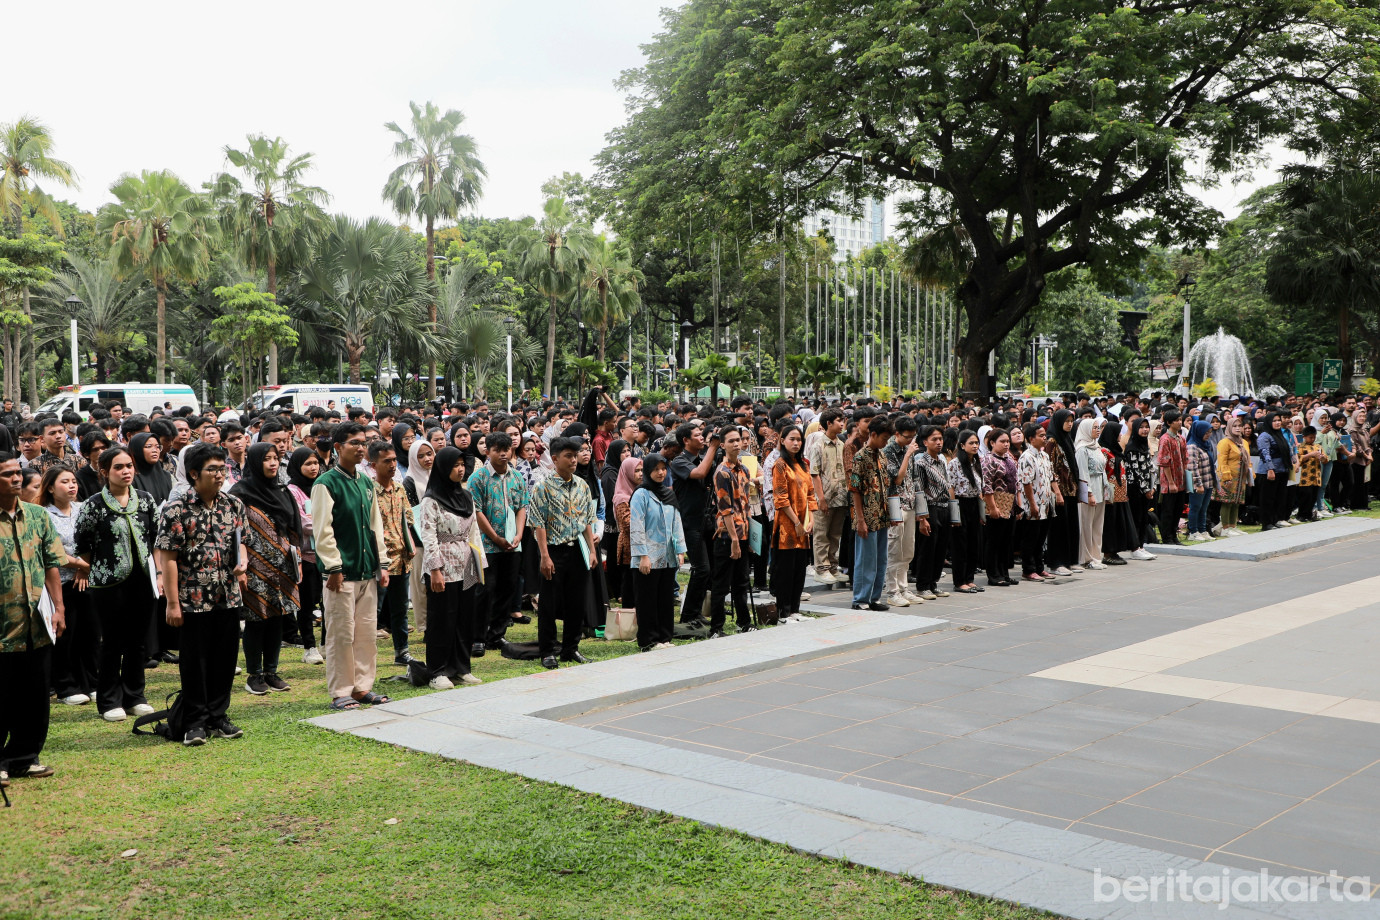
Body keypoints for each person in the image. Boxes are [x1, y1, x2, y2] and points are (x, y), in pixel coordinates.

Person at [155, 443, 249, 746]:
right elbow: (167, 556)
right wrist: (172, 603)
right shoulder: (177, 508)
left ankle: (218, 716)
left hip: (227, 596)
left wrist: (243, 561)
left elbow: (241, 541)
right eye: (213, 469)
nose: (220, 475)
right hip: (191, 599)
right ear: (194, 473)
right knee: (195, 662)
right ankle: (194, 722)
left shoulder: (233, 505)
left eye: (223, 469)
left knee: (225, 659)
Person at [74, 447, 159, 723]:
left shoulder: (145, 500)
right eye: (119, 467)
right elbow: (83, 544)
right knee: (112, 642)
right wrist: (86, 572)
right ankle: (109, 699)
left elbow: (157, 539)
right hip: (107, 583)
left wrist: (157, 575)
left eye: (129, 466)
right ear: (104, 472)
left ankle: (135, 695)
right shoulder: (94, 505)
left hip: (143, 581)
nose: (126, 471)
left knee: (138, 641)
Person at [311, 422, 392, 711]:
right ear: (337, 448)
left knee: (366, 633)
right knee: (341, 634)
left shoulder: (366, 481)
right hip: (340, 574)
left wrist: (382, 563)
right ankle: (341, 690)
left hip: (367, 570)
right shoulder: (325, 483)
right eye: (353, 443)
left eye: (363, 443)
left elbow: (375, 526)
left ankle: (362, 687)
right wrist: (333, 567)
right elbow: (322, 530)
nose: (360, 448)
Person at [0, 452, 67, 783]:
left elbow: (52, 562)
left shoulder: (39, 516)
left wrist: (59, 607)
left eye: (17, 473)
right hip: (3, 626)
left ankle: (24, 755)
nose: (15, 479)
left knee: (35, 693)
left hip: (37, 623)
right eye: (7, 474)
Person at [229, 443, 302, 695]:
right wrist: (240, 566)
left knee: (277, 617)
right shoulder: (240, 493)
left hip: (282, 565)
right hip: (254, 566)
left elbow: (294, 529)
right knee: (256, 620)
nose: (272, 463)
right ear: (255, 462)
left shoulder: (282, 491)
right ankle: (254, 675)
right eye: (266, 459)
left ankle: (271, 671)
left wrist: (296, 559)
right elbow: (235, 533)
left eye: (276, 458)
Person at [528, 436, 598, 669]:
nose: (574, 460)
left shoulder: (582, 485)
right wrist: (545, 556)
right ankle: (547, 651)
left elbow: (587, 519)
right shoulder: (543, 487)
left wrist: (592, 550)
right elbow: (538, 524)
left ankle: (571, 648)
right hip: (554, 551)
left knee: (576, 602)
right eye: (568, 456)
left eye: (575, 455)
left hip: (578, 549)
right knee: (549, 604)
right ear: (555, 459)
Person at [419, 447, 485, 689]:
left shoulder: (466, 497)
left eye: (462, 464)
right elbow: (428, 536)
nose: (460, 469)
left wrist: (479, 567)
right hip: (443, 566)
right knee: (441, 619)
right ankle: (437, 671)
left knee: (464, 618)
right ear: (443, 468)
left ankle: (461, 667)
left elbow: (475, 533)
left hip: (466, 563)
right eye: (455, 465)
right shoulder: (431, 499)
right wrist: (435, 569)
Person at [467, 432, 529, 652]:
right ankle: (477, 637)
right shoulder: (478, 478)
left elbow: (521, 506)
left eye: (507, 449)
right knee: (484, 590)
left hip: (513, 544)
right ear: (488, 451)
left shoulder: (516, 478)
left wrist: (519, 535)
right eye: (497, 450)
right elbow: (477, 511)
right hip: (487, 544)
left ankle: (497, 635)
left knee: (507, 588)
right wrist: (495, 537)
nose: (503, 454)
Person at [41, 468, 95, 705]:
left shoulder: (84, 509)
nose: (72, 485)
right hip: (61, 581)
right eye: (65, 482)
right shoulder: (44, 515)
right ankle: (66, 685)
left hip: (88, 579)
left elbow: (96, 540)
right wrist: (80, 565)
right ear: (51, 488)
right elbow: (53, 551)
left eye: (74, 481)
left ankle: (91, 682)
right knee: (66, 635)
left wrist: (85, 568)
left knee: (90, 633)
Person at [630, 453, 685, 651]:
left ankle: (665, 637)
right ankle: (648, 640)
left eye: (663, 468)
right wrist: (642, 555)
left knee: (665, 598)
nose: (661, 472)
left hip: (668, 556)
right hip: (648, 558)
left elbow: (677, 523)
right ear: (648, 471)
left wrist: (680, 550)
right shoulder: (640, 494)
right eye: (656, 469)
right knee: (647, 599)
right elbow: (636, 526)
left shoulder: (669, 493)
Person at [370, 440, 416, 664]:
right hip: (379, 560)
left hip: (402, 557)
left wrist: (410, 543)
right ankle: (365, 653)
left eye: (394, 460)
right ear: (373, 465)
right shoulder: (368, 491)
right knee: (372, 612)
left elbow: (408, 518)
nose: (392, 465)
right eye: (386, 461)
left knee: (400, 610)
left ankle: (402, 651)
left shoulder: (399, 488)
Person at [671, 423, 719, 624]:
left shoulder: (703, 459)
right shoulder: (679, 461)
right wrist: (713, 448)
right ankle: (687, 616)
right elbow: (698, 473)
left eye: (703, 435)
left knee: (709, 570)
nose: (702, 438)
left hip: (707, 519)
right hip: (689, 522)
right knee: (701, 569)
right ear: (685, 440)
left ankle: (695, 612)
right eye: (698, 435)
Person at [710, 426, 755, 634]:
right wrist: (735, 540)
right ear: (722, 445)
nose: (737, 444)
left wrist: (749, 537)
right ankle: (716, 628)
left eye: (738, 440)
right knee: (721, 583)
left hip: (743, 531)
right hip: (727, 535)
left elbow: (746, 505)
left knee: (741, 581)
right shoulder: (722, 472)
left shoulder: (744, 470)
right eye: (731, 441)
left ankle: (744, 623)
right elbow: (725, 509)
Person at [771, 425, 817, 621]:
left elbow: (810, 494)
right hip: (786, 528)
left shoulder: (803, 465)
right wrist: (797, 522)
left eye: (799, 439)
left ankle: (795, 610)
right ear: (782, 440)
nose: (796, 443)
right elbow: (780, 499)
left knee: (799, 570)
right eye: (792, 439)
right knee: (786, 571)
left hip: (803, 526)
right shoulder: (780, 465)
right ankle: (784, 612)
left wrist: (811, 520)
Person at [849, 416, 894, 610]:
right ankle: (860, 599)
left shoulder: (882, 455)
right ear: (873, 435)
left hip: (882, 516)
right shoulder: (860, 456)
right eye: (884, 438)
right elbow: (855, 490)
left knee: (881, 559)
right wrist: (860, 520)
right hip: (866, 516)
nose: (886, 442)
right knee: (866, 560)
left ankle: (874, 597)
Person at [881, 417, 927, 606]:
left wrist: (922, 513)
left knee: (908, 550)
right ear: (897, 434)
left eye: (913, 437)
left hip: (910, 504)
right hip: (895, 505)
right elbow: (897, 480)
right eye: (907, 437)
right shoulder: (888, 452)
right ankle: (892, 591)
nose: (911, 441)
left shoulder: (909, 450)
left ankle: (904, 588)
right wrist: (908, 455)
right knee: (894, 550)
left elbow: (916, 481)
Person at [286, 448, 325, 664]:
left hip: (327, 553)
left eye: (315, 463)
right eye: (308, 464)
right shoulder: (292, 491)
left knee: (329, 603)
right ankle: (309, 646)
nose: (313, 467)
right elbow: (304, 523)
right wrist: (329, 524)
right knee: (307, 604)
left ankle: (326, 643)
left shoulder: (322, 486)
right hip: (306, 555)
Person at [912, 425, 952, 599]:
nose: (938, 442)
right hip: (930, 508)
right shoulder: (920, 463)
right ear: (925, 442)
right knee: (927, 548)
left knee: (941, 549)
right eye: (934, 439)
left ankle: (933, 583)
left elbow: (948, 486)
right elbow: (919, 490)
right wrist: (922, 517)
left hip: (944, 507)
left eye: (940, 439)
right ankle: (922, 585)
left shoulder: (942, 461)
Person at [1045, 409, 1083, 574]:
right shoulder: (1052, 441)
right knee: (1059, 527)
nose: (1069, 424)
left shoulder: (1067, 439)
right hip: (1058, 491)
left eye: (1071, 421)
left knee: (1071, 525)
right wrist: (1057, 491)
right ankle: (1057, 562)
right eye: (1066, 421)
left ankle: (1070, 560)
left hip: (1071, 489)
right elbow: (1050, 468)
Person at [1017, 423, 1056, 582]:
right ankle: (1028, 569)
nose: (1044, 438)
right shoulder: (1027, 457)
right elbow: (1026, 483)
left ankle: (1040, 568)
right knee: (1030, 538)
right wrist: (1032, 504)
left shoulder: (1044, 455)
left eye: (1045, 435)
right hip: (1033, 504)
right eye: (1041, 435)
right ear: (1031, 439)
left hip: (1045, 503)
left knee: (1041, 539)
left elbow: (1051, 477)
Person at [980, 427, 1018, 586]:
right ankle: (994, 575)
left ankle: (1004, 573)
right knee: (994, 541)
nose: (1006, 444)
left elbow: (1016, 482)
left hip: (1010, 503)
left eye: (1008, 441)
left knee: (1005, 541)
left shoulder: (1008, 458)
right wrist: (993, 507)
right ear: (992, 443)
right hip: (996, 502)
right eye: (1002, 441)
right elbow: (986, 485)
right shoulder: (988, 460)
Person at [948, 430, 984, 594]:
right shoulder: (954, 464)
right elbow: (951, 488)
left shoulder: (976, 462)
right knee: (960, 544)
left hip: (974, 504)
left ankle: (969, 579)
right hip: (960, 503)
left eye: (976, 443)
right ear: (962, 445)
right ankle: (959, 581)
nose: (975, 446)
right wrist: (955, 511)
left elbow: (980, 488)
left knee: (973, 543)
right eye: (971, 443)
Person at [1156, 410, 1187, 544]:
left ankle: (1174, 534)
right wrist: (1171, 482)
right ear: (1169, 423)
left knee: (1178, 509)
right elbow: (1164, 463)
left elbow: (1185, 459)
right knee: (1168, 510)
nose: (1180, 422)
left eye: (1180, 420)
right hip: (1169, 481)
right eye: (1176, 420)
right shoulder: (1165, 439)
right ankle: (1166, 536)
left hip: (1181, 480)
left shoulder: (1181, 438)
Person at [1256, 413, 1291, 531]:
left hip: (1282, 469)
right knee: (1268, 498)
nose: (1277, 422)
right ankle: (1267, 523)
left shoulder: (1279, 434)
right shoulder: (1264, 436)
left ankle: (1276, 519)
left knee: (1280, 497)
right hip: (1269, 471)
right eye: (1274, 420)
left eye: (1278, 420)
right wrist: (1270, 469)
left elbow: (1287, 449)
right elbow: (1265, 453)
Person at [1185, 420, 1217, 541]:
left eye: (1210, 432)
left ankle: (1202, 530)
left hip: (1208, 482)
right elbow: (1192, 467)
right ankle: (1193, 531)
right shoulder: (1192, 446)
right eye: (1206, 432)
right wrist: (1198, 484)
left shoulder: (1205, 444)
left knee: (1204, 508)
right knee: (1195, 507)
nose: (1208, 435)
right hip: (1198, 483)